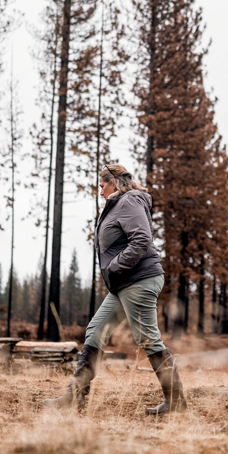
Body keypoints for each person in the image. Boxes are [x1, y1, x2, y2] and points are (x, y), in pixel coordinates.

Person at [44, 163, 186, 414]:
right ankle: (75, 398)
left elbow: (142, 239)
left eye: (102, 186)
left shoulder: (129, 200)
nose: (99, 192)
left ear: (115, 183)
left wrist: (114, 267)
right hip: (124, 284)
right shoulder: (118, 204)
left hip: (138, 280)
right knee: (96, 331)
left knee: (149, 338)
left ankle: (176, 403)